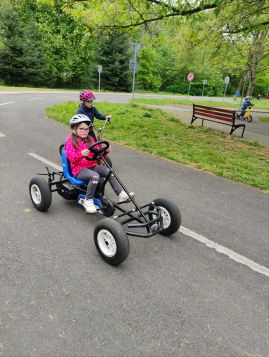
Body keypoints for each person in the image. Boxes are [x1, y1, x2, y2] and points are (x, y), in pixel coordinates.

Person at [64, 114, 134, 214]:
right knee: (95, 176)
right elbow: (71, 158)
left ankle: (121, 194)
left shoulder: (90, 139)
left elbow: (97, 153)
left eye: (87, 129)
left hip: (91, 165)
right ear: (74, 129)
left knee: (108, 171)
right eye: (81, 129)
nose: (85, 131)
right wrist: (81, 154)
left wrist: (106, 150)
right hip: (79, 169)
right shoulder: (70, 141)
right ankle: (88, 201)